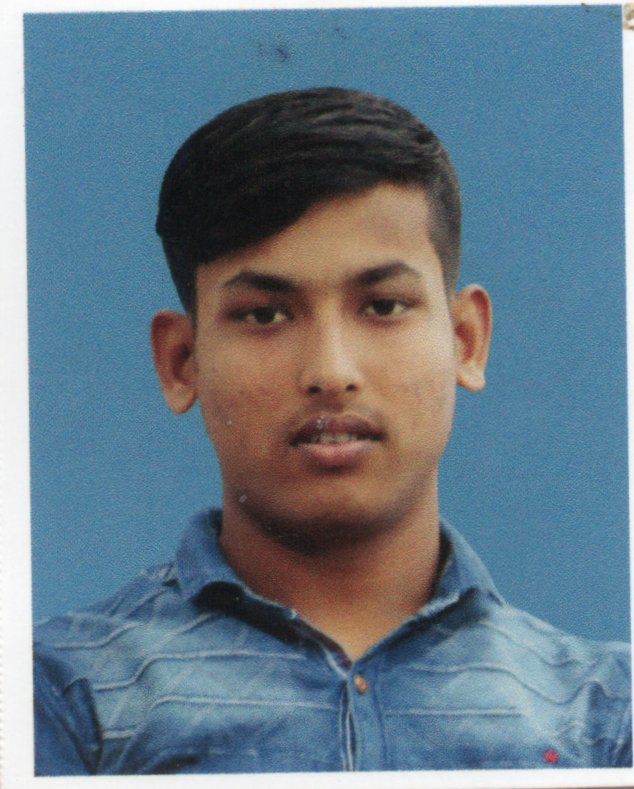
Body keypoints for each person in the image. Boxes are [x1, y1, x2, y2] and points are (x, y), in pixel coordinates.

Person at [33, 87, 631, 775]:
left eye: (383, 305)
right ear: (181, 360)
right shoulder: (61, 693)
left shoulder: (603, 715)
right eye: (264, 315)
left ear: (466, 339)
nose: (331, 371)